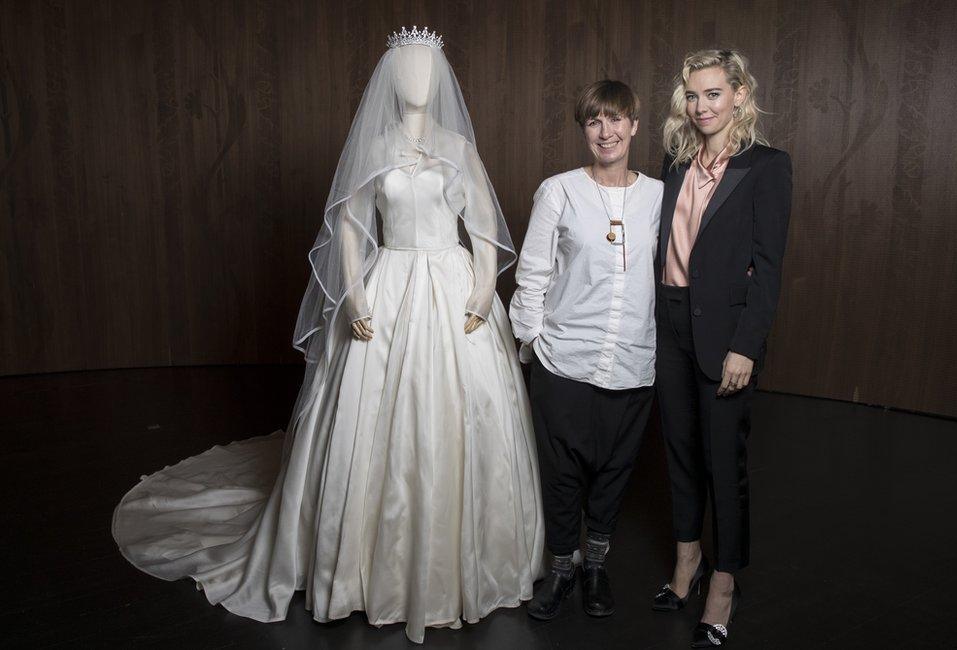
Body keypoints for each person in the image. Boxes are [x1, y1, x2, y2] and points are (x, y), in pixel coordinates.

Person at [112, 26, 544, 644]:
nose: (417, 77)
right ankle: (363, 568)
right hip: (388, 284)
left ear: (441, 76)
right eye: (407, 66)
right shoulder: (375, 146)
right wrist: (357, 293)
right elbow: (349, 225)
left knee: (461, 416)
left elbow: (480, 225)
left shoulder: (458, 147)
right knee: (369, 423)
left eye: (427, 65)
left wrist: (481, 291)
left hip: (450, 290)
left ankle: (459, 564)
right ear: (391, 79)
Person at [651, 49, 792, 647]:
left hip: (725, 337)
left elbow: (769, 266)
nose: (702, 106)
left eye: (713, 93)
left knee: (722, 463)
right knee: (680, 453)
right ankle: (687, 562)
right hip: (673, 323)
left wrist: (746, 348)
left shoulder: (766, 166)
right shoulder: (676, 162)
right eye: (692, 95)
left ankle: (724, 583)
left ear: (738, 94)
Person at [510, 80, 663, 620]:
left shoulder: (659, 196)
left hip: (632, 359)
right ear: (584, 130)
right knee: (562, 472)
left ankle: (596, 566)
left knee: (615, 470)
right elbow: (532, 273)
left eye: (616, 119)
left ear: (635, 126)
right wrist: (532, 341)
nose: (607, 131)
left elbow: (679, 267)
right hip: (565, 359)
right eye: (595, 121)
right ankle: (562, 568)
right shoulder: (559, 191)